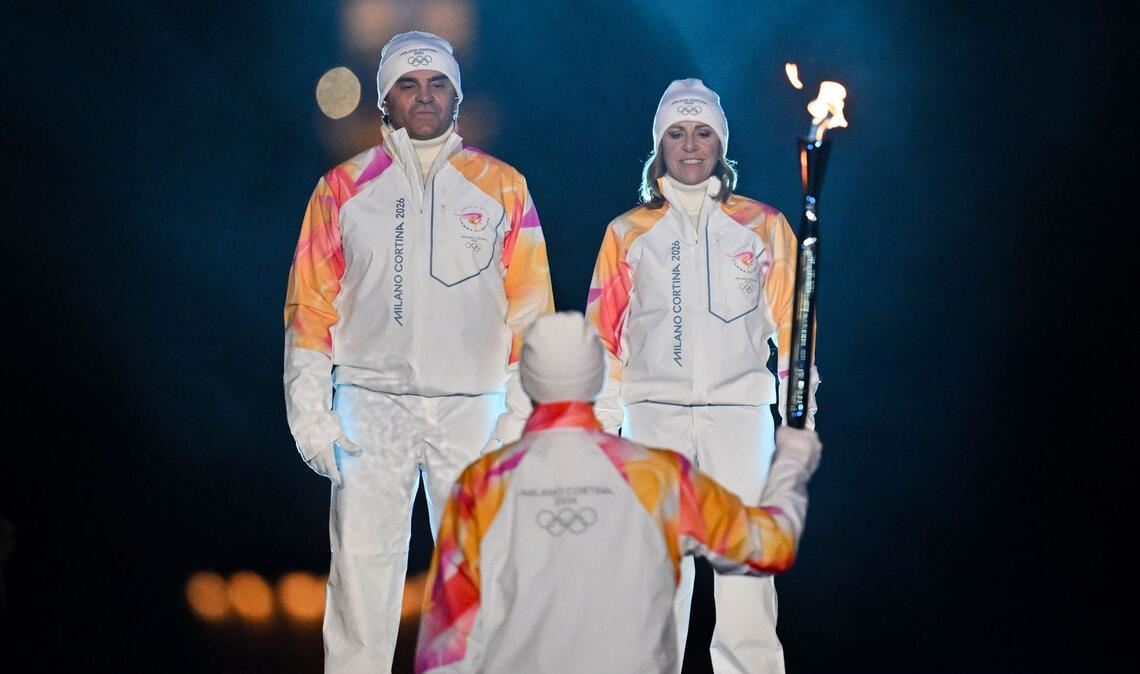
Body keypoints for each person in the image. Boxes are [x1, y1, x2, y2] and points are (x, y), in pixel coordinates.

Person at [283, 31, 554, 673]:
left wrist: (517, 418)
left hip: (474, 407)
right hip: (370, 404)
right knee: (360, 576)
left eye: (438, 84)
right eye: (408, 84)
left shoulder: (504, 187)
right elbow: (309, 308)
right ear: (385, 101)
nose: (424, 96)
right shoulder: (342, 189)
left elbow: (531, 310)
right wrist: (311, 416)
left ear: (457, 97)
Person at [413, 311, 822, 673]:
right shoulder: (657, 477)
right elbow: (771, 545)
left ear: (527, 379)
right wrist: (791, 463)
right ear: (599, 376)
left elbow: (446, 646)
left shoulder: (482, 485)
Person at [584, 78, 821, 673]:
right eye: (677, 133)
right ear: (660, 145)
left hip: (741, 422)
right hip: (652, 422)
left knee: (747, 590)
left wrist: (799, 417)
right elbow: (602, 340)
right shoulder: (626, 234)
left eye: (703, 133)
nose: (690, 145)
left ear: (721, 143)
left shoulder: (764, 227)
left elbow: (796, 330)